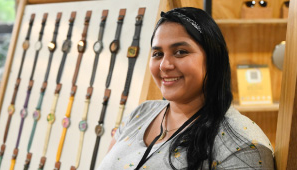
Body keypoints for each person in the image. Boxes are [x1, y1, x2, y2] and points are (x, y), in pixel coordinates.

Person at [97, 7, 274, 170]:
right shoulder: (140, 113)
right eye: (157, 54)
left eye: (180, 52)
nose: (164, 65)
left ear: (213, 59)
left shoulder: (241, 146)